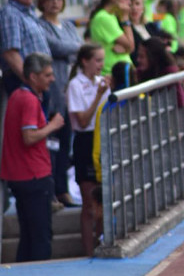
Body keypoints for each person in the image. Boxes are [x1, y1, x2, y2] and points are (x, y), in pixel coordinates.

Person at [0, 53, 64, 262]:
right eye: (47, 75)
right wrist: (52, 126)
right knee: (40, 238)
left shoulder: (18, 96)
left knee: (28, 236)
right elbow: (28, 137)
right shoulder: (28, 99)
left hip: (21, 176)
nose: (52, 79)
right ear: (34, 77)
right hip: (33, 175)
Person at [37, 0, 83, 207]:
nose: (55, 2)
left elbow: (76, 51)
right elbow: (55, 47)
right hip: (51, 93)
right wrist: (74, 48)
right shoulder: (40, 26)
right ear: (43, 2)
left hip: (69, 91)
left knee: (66, 142)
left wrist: (72, 48)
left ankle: (63, 190)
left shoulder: (68, 25)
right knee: (51, 145)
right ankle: (51, 192)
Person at [66, 44, 110, 256]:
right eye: (98, 60)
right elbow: (82, 121)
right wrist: (98, 95)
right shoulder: (75, 85)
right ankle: (88, 251)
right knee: (89, 205)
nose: (101, 65)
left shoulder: (102, 82)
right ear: (85, 61)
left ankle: (102, 245)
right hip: (85, 141)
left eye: (102, 60)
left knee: (104, 202)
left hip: (102, 139)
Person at [0, 0, 52, 96]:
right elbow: (11, 53)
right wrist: (29, 81)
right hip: (23, 81)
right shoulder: (10, 14)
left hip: (38, 80)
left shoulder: (29, 13)